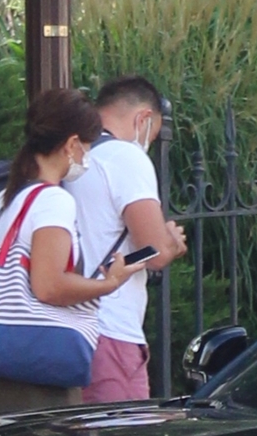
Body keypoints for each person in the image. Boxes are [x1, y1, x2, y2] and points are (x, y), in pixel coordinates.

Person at [0, 88, 142, 416]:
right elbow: (48, 285)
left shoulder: (4, 199)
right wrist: (108, 283)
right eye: (87, 147)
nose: (87, 157)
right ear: (72, 145)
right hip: (35, 379)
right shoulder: (52, 200)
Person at [67, 75, 188, 403]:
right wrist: (172, 242)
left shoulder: (74, 158)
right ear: (143, 119)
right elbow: (154, 252)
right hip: (111, 328)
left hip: (69, 330)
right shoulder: (127, 157)